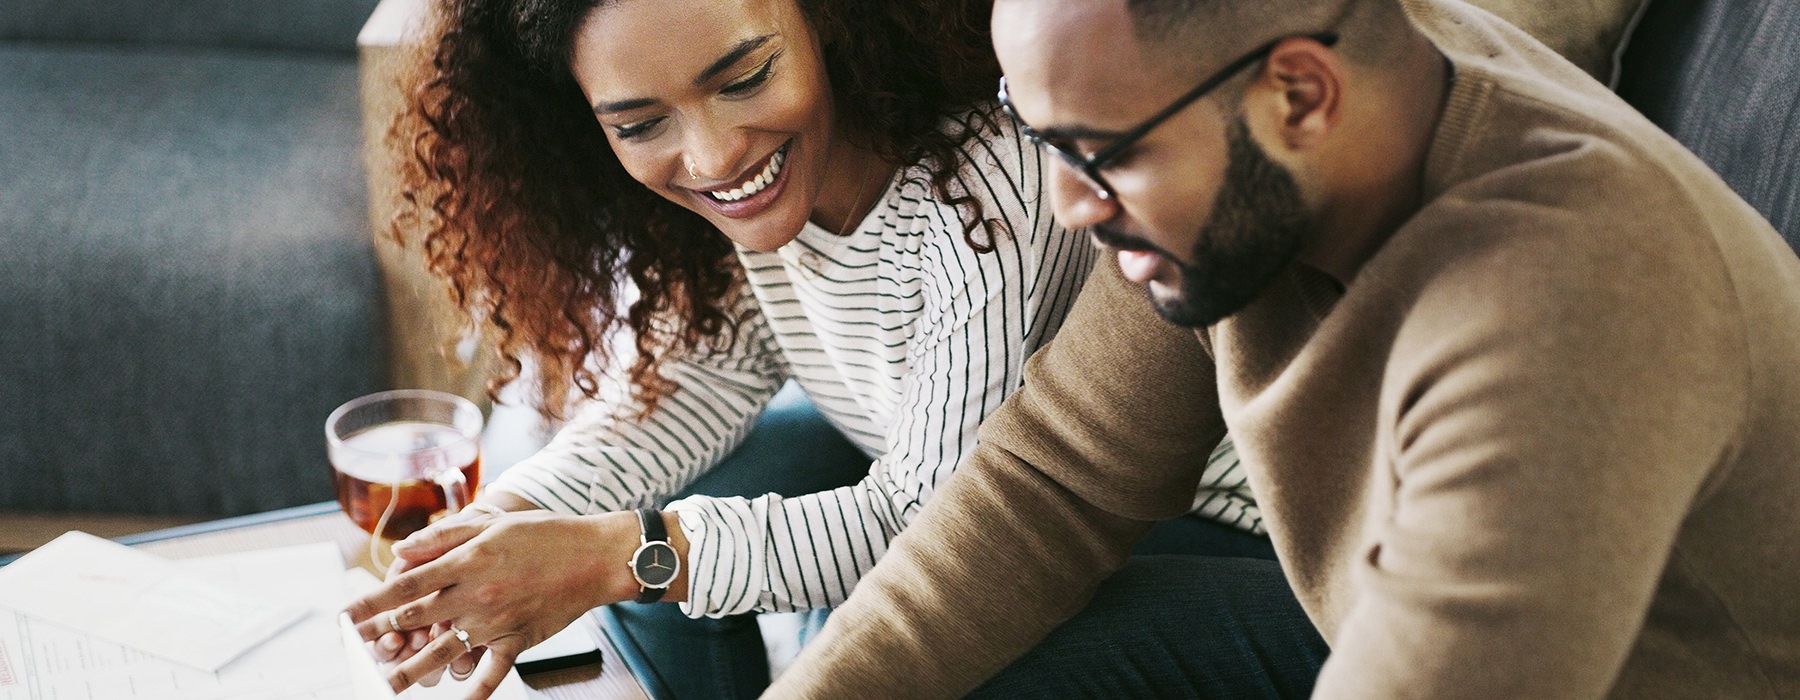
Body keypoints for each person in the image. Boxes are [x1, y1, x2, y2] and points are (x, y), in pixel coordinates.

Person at [759, 0, 1800, 697]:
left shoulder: (1569, 301)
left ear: (1301, 96)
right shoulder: (1246, 158)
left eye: (1096, 153)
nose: (1070, 206)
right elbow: (1056, 479)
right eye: (1039, 138)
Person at [340, 0, 1268, 697]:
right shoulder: (733, 204)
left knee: (652, 547)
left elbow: (947, 536)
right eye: (639, 124)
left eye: (743, 79)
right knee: (655, 502)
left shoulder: (983, 202)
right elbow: (686, 384)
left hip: (1188, 528)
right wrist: (505, 523)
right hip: (943, 490)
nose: (710, 159)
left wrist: (614, 554)